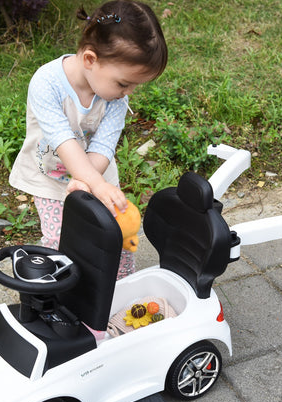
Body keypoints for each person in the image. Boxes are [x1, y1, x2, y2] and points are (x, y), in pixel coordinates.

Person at [9, 0, 167, 280]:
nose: (128, 92)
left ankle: (117, 291)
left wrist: (89, 183)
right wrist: (92, 184)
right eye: (123, 83)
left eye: (134, 85)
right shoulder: (46, 84)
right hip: (51, 181)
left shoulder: (115, 100)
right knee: (61, 242)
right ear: (90, 59)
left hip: (98, 176)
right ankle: (61, 296)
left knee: (114, 238)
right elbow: (64, 142)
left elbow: (103, 146)